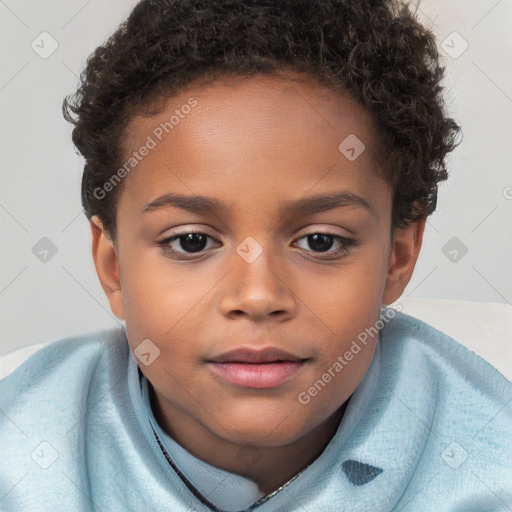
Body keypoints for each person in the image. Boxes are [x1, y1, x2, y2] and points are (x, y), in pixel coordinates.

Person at [1, 0, 511, 510]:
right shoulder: (21, 455)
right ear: (113, 268)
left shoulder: (489, 467)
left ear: (398, 257)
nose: (258, 296)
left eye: (320, 241)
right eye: (191, 241)